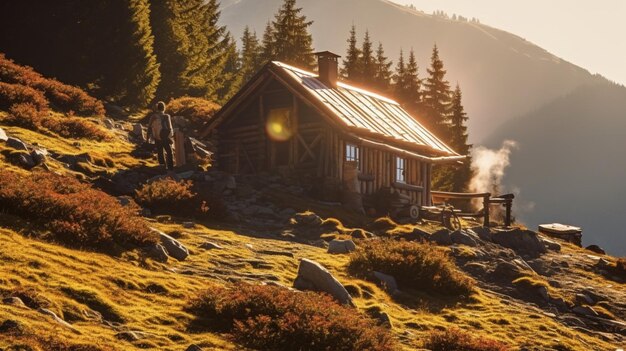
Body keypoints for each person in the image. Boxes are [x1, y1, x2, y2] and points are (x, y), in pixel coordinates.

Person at [147, 101, 174, 171]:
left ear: (157, 108)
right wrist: (170, 137)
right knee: (169, 152)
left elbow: (149, 127)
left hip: (157, 136)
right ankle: (170, 167)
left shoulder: (153, 116)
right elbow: (170, 128)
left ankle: (162, 167)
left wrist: (147, 138)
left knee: (160, 151)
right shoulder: (167, 116)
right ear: (164, 108)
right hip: (165, 136)